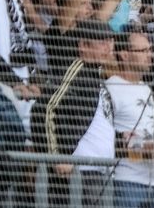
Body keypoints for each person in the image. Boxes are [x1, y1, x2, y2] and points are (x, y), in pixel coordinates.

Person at [41, 20, 117, 206]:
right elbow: (46, 108)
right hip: (79, 173)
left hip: (100, 174)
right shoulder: (77, 70)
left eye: (111, 41)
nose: (109, 47)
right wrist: (59, 157)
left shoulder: (94, 75)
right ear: (83, 45)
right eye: (102, 42)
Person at [107, 31, 154, 208]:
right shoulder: (112, 88)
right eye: (143, 51)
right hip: (126, 180)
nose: (149, 55)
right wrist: (142, 149)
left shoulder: (145, 88)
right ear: (124, 54)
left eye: (149, 50)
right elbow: (107, 137)